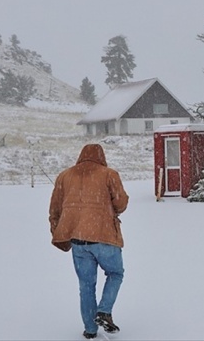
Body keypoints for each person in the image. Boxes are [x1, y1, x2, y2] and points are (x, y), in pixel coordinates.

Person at [49, 144, 129, 340]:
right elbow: (121, 202)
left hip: (77, 239)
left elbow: (55, 209)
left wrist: (58, 230)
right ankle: (104, 311)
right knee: (115, 273)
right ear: (101, 156)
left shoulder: (64, 176)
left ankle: (90, 329)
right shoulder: (109, 174)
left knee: (86, 285)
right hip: (104, 236)